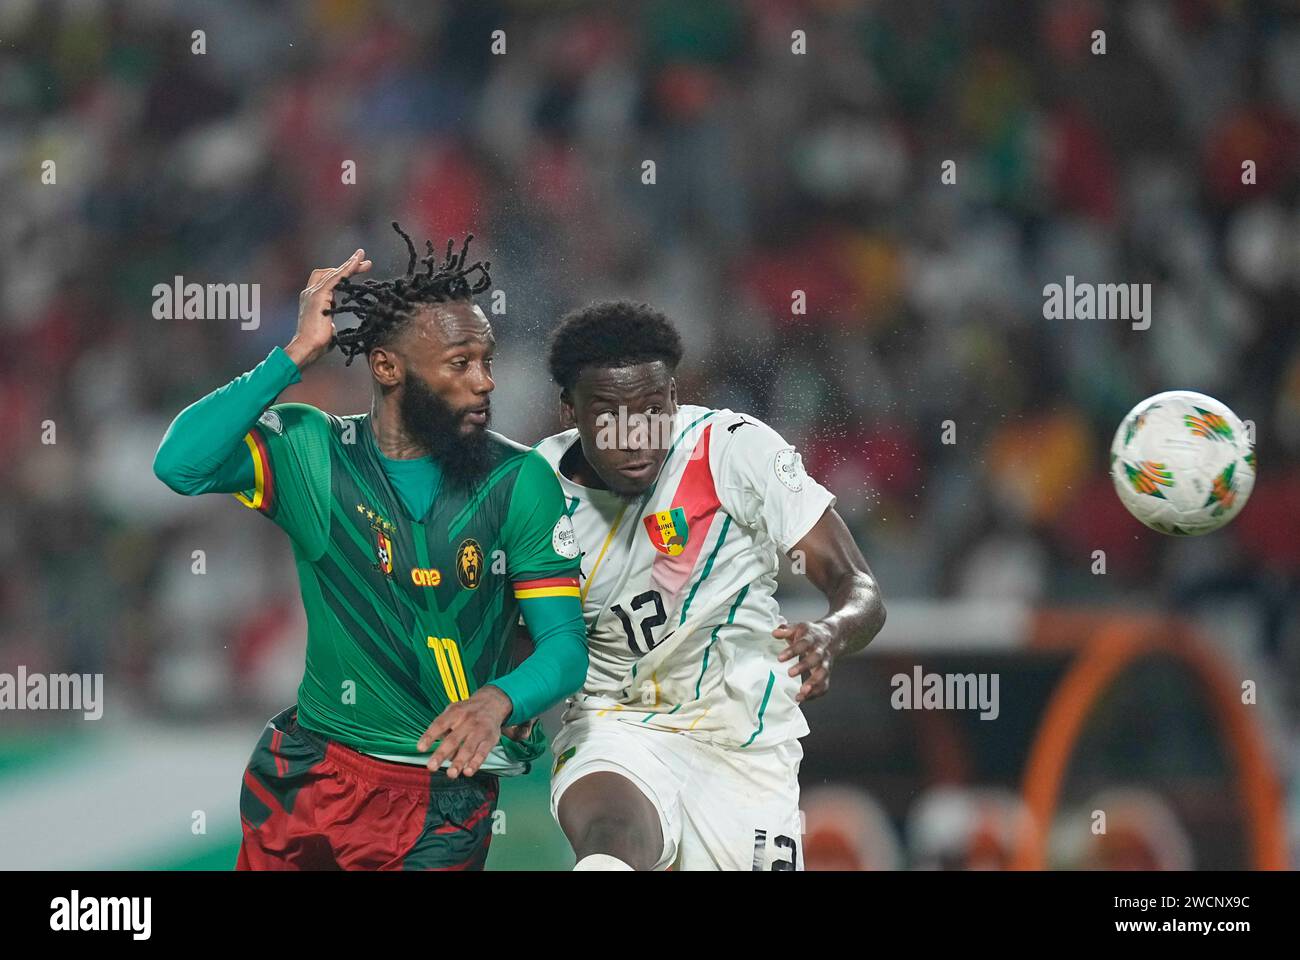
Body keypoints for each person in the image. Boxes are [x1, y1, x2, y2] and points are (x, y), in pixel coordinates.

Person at [153, 224, 587, 870]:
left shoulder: (518, 483)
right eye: (460, 365)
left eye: (487, 362)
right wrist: (294, 354)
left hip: (442, 800)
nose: (485, 383)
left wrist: (501, 700)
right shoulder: (313, 453)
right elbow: (180, 465)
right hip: (310, 779)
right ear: (387, 367)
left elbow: (565, 646)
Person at [535, 300, 886, 871]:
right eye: (607, 414)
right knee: (612, 842)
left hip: (746, 745)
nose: (635, 435)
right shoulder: (532, 491)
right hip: (616, 725)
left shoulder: (731, 450)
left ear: (674, 398)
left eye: (652, 409)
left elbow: (859, 588)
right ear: (568, 412)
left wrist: (830, 633)